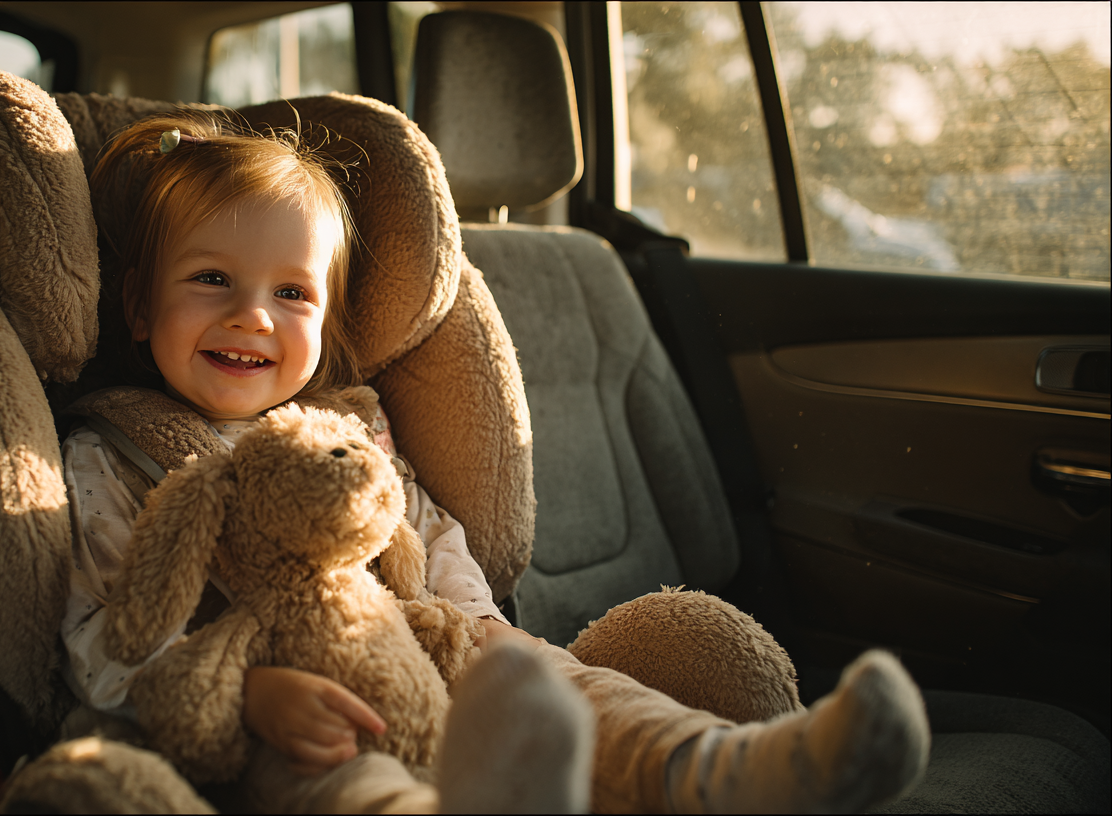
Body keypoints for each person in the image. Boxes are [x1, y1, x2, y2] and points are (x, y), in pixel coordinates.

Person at [59, 108, 928, 814]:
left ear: (325, 326)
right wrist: (249, 696)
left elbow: (426, 530)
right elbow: (105, 639)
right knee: (324, 774)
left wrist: (479, 625)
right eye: (212, 279)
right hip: (285, 704)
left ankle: (724, 770)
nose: (254, 318)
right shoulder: (114, 453)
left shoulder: (345, 431)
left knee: (564, 682)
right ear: (138, 307)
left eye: (292, 293)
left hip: (431, 647)